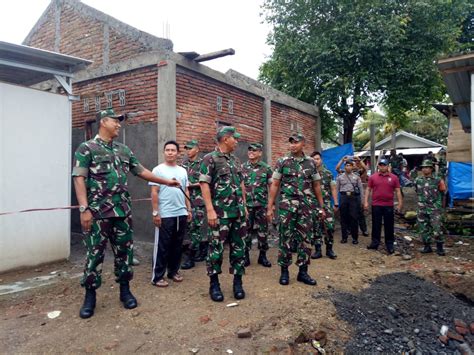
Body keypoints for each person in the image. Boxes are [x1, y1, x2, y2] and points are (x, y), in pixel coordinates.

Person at [72, 109, 180, 319]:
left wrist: (167, 181)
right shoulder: (87, 148)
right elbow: (79, 179)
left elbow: (141, 171)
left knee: (125, 254)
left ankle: (125, 290)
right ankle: (90, 296)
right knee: (95, 255)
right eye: (116, 121)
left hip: (122, 212)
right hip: (97, 213)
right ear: (103, 122)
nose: (119, 124)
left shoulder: (123, 150)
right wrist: (84, 209)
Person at [267, 133, 325, 286]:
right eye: (291, 142)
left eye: (296, 142)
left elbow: (317, 185)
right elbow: (275, 184)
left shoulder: (311, 163)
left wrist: (321, 206)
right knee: (285, 237)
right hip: (287, 207)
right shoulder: (283, 162)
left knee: (305, 238)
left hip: (306, 206)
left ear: (303, 143)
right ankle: (284, 271)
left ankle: (303, 272)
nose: (292, 145)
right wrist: (270, 206)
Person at [199, 126, 247, 302]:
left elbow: (241, 184)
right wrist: (210, 210)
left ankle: (237, 283)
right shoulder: (209, 159)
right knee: (216, 250)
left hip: (238, 213)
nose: (237, 141)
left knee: (239, 248)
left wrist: (245, 206)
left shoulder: (235, 160)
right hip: (220, 214)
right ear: (226, 138)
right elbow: (204, 185)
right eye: (235, 138)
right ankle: (214, 284)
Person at [150, 141, 192, 287]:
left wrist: (189, 209)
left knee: (177, 245)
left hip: (181, 213)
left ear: (177, 153)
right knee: (163, 245)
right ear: (164, 152)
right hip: (165, 213)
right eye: (167, 150)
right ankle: (157, 276)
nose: (170, 152)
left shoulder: (182, 171)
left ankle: (173, 271)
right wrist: (156, 212)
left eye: (173, 150)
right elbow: (154, 192)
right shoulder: (157, 170)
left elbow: (186, 190)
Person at [241, 143, 273, 267]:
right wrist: (243, 204)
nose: (251, 152)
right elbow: (241, 187)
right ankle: (245, 256)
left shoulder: (266, 168)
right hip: (247, 205)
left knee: (263, 231)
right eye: (249, 150)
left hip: (262, 205)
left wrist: (271, 206)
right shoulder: (242, 167)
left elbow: (272, 187)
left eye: (254, 150)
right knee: (245, 231)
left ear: (260, 153)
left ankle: (262, 256)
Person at [364, 158, 403, 254]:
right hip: (376, 204)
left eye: (384, 165)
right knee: (376, 225)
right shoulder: (373, 177)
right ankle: (375, 243)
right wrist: (365, 202)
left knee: (389, 225)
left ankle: (389, 244)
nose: (382, 167)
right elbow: (368, 189)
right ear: (378, 166)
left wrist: (400, 203)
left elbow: (398, 191)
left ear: (388, 166)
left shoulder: (394, 178)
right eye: (380, 165)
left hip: (388, 205)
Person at [180, 140, 207, 270]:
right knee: (189, 228)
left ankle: (191, 257)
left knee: (195, 228)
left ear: (197, 149)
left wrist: (190, 185)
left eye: (190, 148)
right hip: (184, 200)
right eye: (187, 149)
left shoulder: (203, 164)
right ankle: (202, 248)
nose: (188, 151)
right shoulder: (183, 164)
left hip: (197, 201)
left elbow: (205, 182)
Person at [415, 159, 447, 256]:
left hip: (434, 209)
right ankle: (427, 246)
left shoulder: (438, 180)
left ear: (431, 169)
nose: (424, 169)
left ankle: (440, 247)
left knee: (437, 228)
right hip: (422, 208)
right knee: (423, 229)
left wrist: (442, 207)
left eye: (427, 167)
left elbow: (443, 193)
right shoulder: (418, 180)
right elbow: (417, 192)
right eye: (423, 168)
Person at [310, 151, 338, 259]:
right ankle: (318, 250)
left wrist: (335, 203)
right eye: (313, 159)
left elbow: (333, 188)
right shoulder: (308, 174)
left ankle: (329, 249)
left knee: (329, 227)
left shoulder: (328, 173)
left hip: (326, 204)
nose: (315, 161)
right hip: (313, 204)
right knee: (316, 227)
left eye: (317, 159)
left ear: (321, 160)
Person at [335, 155, 369, 236]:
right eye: (349, 165)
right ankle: (349, 230)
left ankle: (364, 230)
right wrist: (342, 160)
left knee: (360, 213)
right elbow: (337, 168)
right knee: (348, 213)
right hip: (346, 196)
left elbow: (365, 169)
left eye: (353, 165)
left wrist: (359, 160)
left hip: (356, 196)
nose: (352, 166)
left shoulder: (357, 173)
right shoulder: (343, 173)